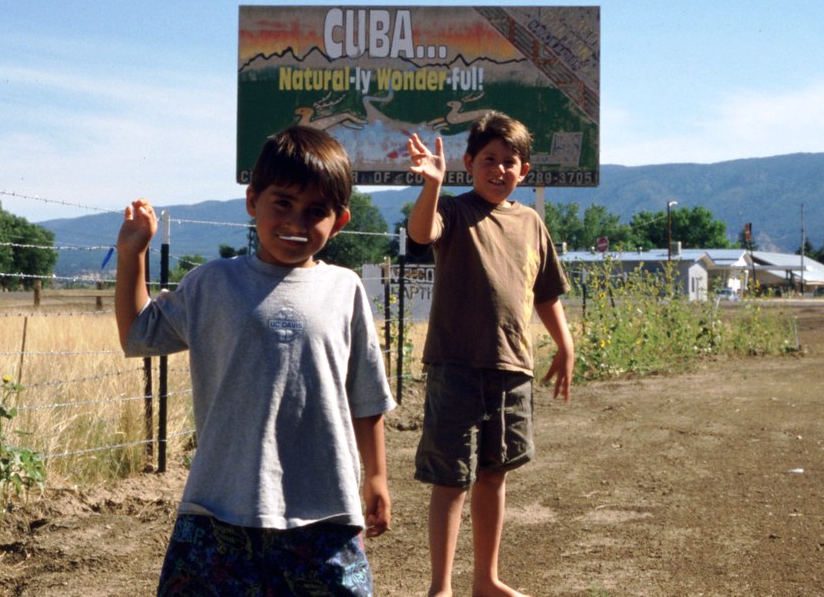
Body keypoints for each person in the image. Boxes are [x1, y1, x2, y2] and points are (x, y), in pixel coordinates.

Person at [115, 126, 395, 596]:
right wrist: (132, 253)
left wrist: (378, 477)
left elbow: (366, 395)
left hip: (324, 511)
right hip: (219, 508)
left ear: (340, 221)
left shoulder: (345, 289)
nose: (296, 222)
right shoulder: (212, 283)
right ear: (252, 201)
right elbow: (139, 334)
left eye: (316, 211)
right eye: (282, 203)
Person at [406, 112, 575, 597]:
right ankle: (441, 587)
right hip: (455, 365)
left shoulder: (531, 222)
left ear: (525, 170)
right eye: (489, 160)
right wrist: (432, 185)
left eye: (509, 162)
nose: (499, 170)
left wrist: (565, 344)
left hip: (512, 367)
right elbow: (421, 234)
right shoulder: (453, 211)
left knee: (494, 474)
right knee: (450, 479)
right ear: (469, 163)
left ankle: (486, 579)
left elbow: (546, 294)